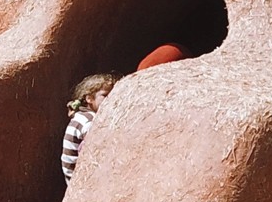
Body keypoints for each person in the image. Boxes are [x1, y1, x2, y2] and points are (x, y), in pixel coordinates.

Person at [60, 44, 190, 182]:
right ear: (89, 98)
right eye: (105, 96)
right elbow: (96, 146)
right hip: (81, 180)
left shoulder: (87, 116)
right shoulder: (87, 120)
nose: (111, 100)